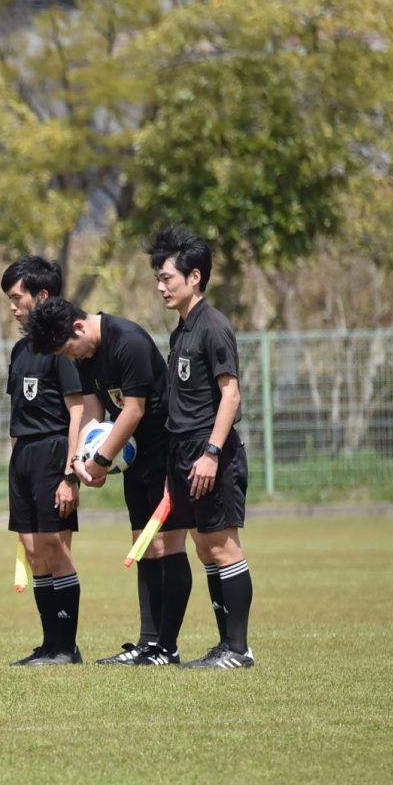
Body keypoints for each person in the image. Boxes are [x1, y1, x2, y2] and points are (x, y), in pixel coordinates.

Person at [26, 297, 192, 665]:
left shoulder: (127, 341)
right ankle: (148, 643)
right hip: (135, 458)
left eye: (68, 349)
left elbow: (134, 410)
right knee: (143, 543)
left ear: (79, 327)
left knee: (167, 544)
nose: (71, 358)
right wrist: (82, 461)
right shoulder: (87, 354)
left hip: (164, 449)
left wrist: (101, 460)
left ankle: (167, 647)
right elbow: (93, 411)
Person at [148, 226, 256, 668]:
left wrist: (211, 453)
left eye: (167, 277)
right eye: (158, 277)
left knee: (222, 545)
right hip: (184, 452)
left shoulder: (213, 327)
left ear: (194, 277)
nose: (161, 286)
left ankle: (239, 648)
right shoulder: (181, 332)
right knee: (204, 546)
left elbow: (230, 394)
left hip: (211, 452)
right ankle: (224, 645)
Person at [0, 257, 86, 665]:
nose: (13, 307)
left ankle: (67, 647)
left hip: (54, 450)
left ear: (42, 295)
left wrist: (71, 473)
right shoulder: (19, 350)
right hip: (23, 455)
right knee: (33, 550)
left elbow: (77, 414)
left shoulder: (62, 349)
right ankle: (49, 644)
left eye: (18, 298)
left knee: (55, 547)